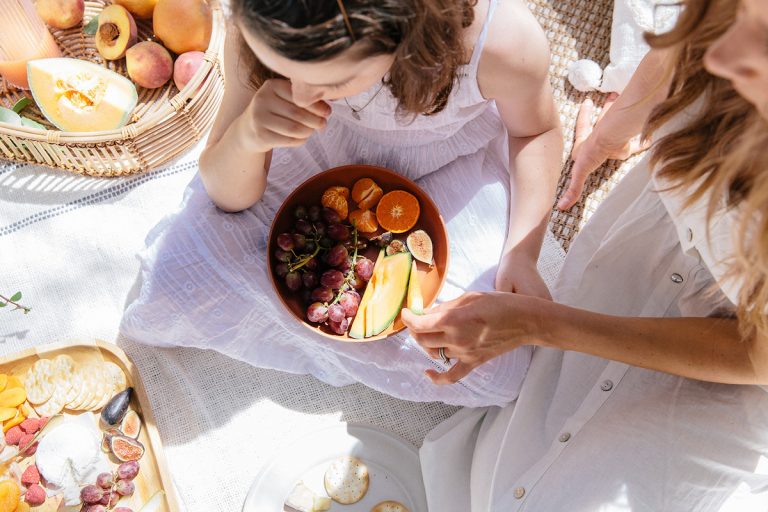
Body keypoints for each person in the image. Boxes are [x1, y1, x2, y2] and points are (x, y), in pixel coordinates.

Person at [409, 0, 768, 509]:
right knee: (502, 480)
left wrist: (545, 324)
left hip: (743, 359)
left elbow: (758, 354)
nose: (721, 57)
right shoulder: (725, 35)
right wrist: (615, 130)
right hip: (658, 237)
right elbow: (682, 48)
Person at [120, 0, 562, 407]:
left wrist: (522, 253)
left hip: (451, 162)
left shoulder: (503, 47)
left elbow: (535, 132)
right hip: (318, 145)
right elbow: (226, 194)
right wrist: (249, 134)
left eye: (334, 82)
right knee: (173, 276)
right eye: (280, 69)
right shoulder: (263, 19)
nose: (300, 93)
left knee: (499, 369)